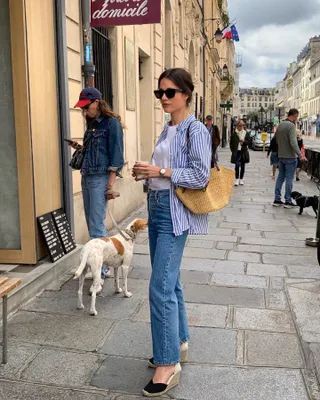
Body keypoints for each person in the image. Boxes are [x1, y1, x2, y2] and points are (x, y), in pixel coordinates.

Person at [133, 68, 211, 397]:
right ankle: (177, 344)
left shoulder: (195, 130)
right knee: (171, 281)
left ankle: (167, 365)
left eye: (170, 92)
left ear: (186, 94)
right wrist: (147, 176)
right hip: (157, 205)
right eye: (159, 93)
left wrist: (160, 171)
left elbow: (200, 175)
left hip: (174, 212)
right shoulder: (168, 129)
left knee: (160, 287)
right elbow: (164, 173)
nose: (163, 98)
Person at [72, 88, 124, 278]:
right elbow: (94, 151)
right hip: (87, 175)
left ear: (97, 102)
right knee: (92, 222)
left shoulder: (112, 124)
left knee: (96, 225)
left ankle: (100, 269)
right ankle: (102, 266)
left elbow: (117, 155)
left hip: (100, 178)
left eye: (87, 106)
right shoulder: (92, 124)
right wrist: (79, 148)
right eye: (83, 108)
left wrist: (110, 184)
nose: (85, 110)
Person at [273, 109, 306, 208]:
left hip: (281, 155)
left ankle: (277, 199)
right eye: (297, 117)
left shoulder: (280, 125)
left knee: (280, 178)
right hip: (290, 157)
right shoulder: (291, 126)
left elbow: (276, 140)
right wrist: (300, 155)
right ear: (294, 115)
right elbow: (293, 142)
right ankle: (288, 200)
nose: (297, 119)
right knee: (289, 179)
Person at [230, 120, 250, 186]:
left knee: (243, 165)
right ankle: (237, 179)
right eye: (238, 126)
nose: (240, 127)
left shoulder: (245, 133)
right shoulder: (234, 133)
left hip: (243, 151)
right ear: (236, 126)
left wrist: (244, 141)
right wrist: (233, 150)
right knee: (237, 165)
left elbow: (249, 141)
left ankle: (241, 179)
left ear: (243, 126)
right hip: (236, 152)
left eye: (241, 126)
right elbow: (231, 143)